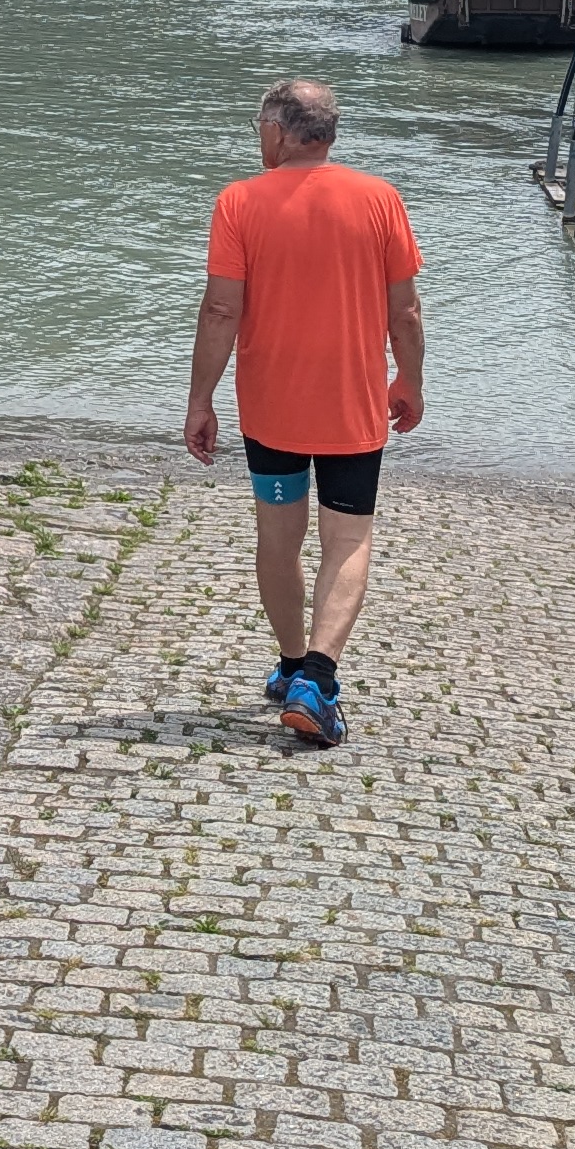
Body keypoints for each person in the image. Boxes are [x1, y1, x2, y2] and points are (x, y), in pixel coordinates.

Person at [181, 75, 423, 748]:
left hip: (272, 410)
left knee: (278, 535)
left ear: (280, 132)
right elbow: (404, 310)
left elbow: (222, 309)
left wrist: (200, 400)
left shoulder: (239, 203)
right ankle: (317, 677)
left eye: (260, 126)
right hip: (353, 406)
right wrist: (410, 380)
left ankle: (293, 665)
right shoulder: (379, 199)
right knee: (347, 538)